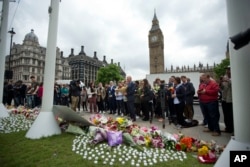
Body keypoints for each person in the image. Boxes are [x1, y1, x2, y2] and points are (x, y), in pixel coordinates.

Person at [220, 66, 234, 134]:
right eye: (227, 70)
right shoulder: (225, 77)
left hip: (231, 100)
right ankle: (228, 128)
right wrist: (221, 82)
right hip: (224, 99)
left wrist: (228, 80)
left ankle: (233, 129)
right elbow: (222, 88)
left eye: (229, 70)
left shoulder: (235, 76)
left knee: (232, 115)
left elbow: (234, 86)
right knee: (226, 115)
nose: (227, 71)